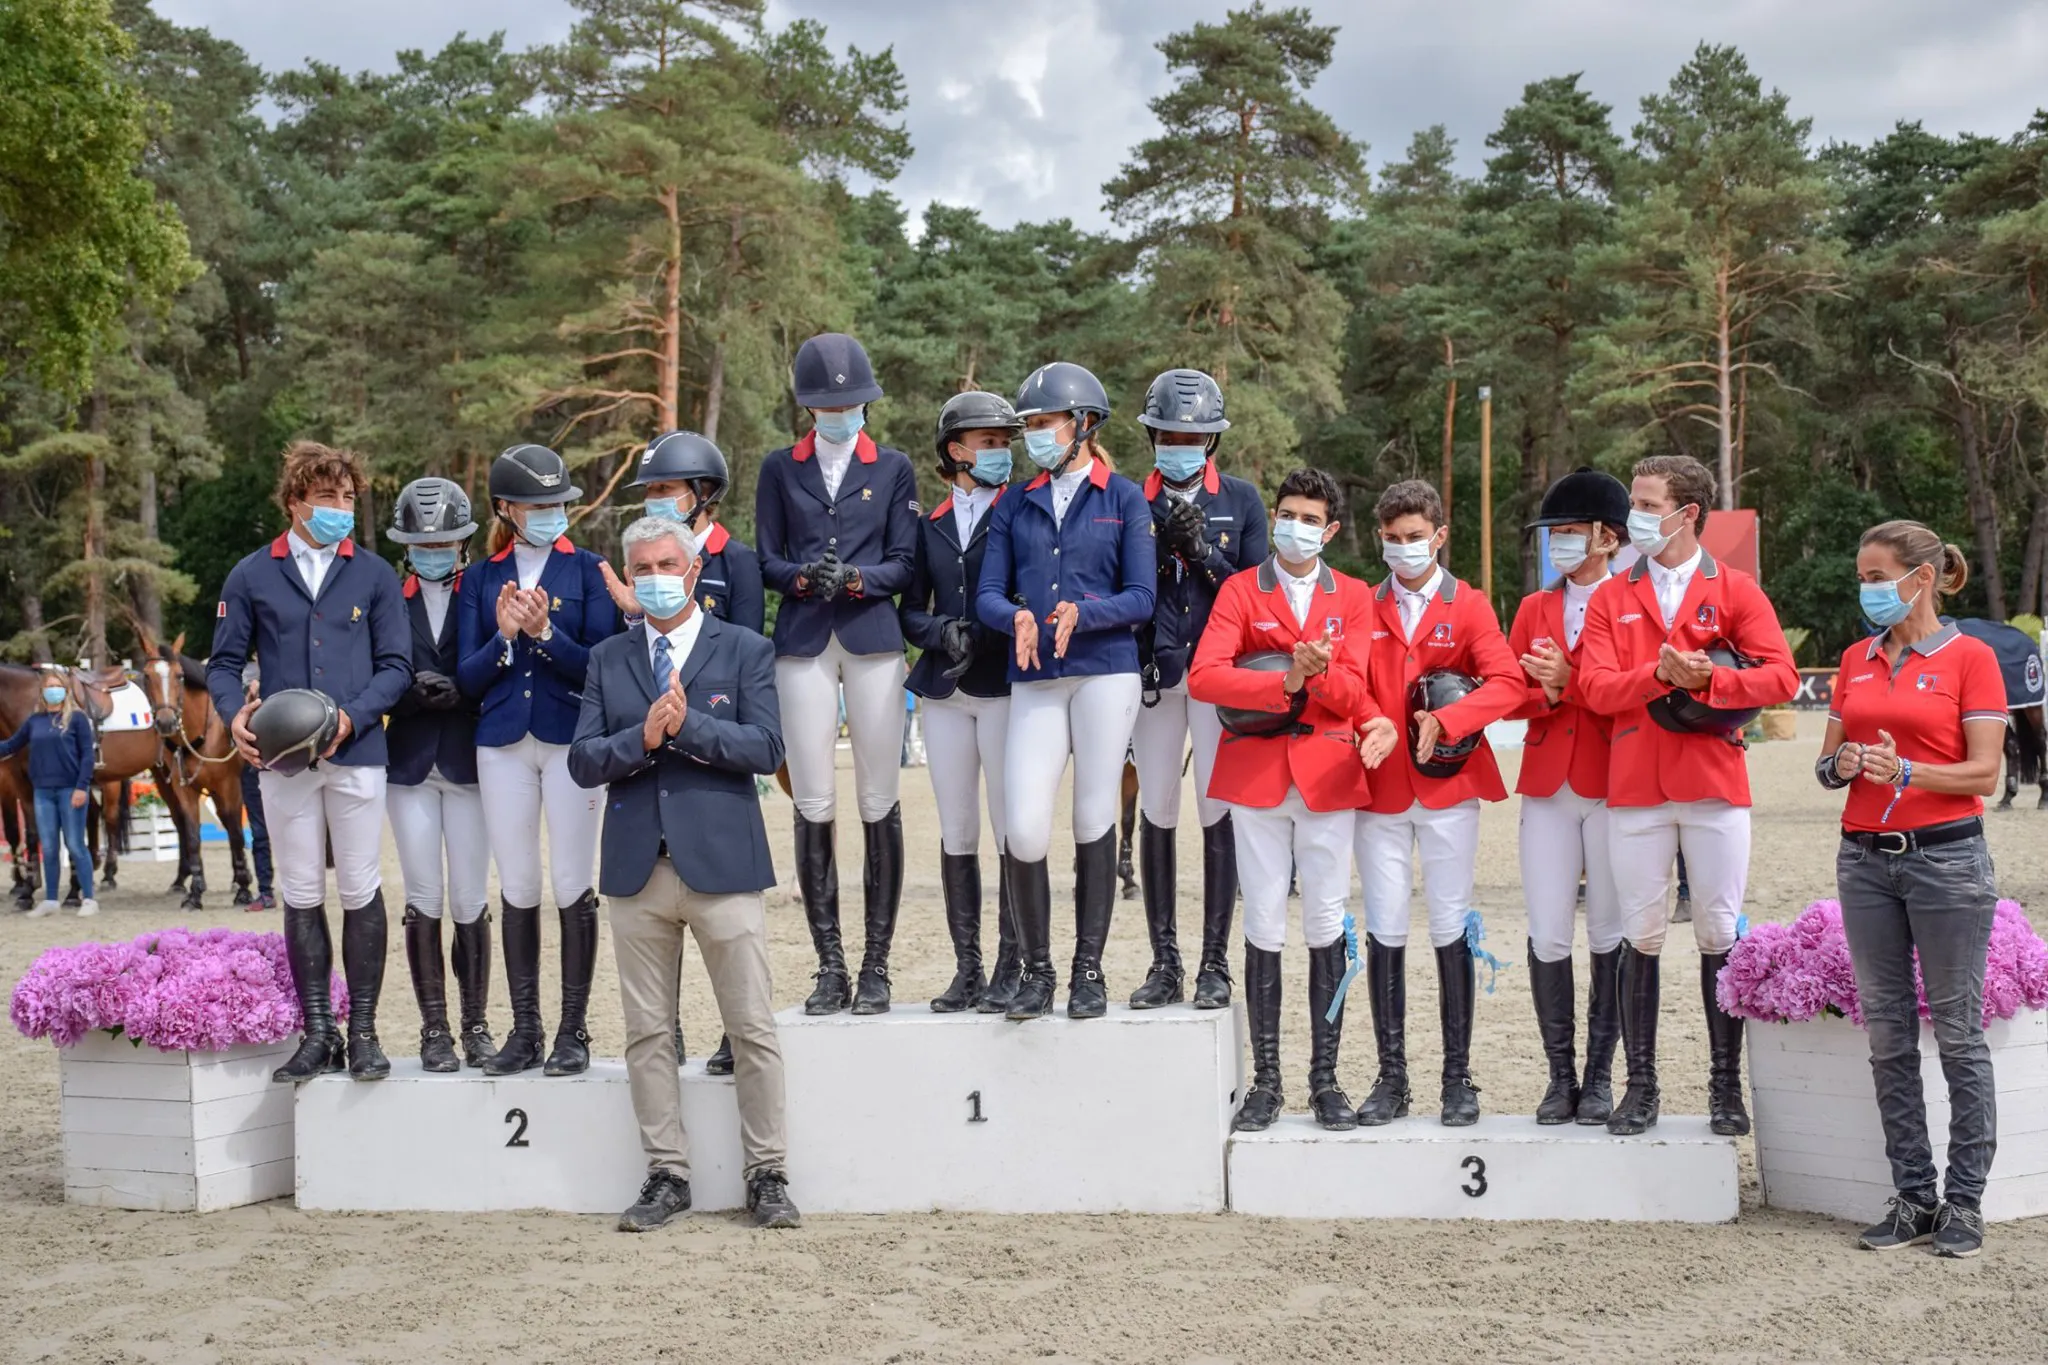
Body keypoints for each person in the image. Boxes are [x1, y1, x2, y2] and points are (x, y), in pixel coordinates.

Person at [566, 516, 799, 1232]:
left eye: (667, 562)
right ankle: (666, 1172)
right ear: (630, 579)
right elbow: (582, 760)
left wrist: (687, 727)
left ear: (694, 570)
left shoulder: (746, 648)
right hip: (638, 872)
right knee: (645, 1032)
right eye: (641, 568)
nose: (655, 575)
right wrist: (642, 737)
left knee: (751, 1027)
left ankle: (768, 1172)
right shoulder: (608, 659)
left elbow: (766, 746)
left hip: (723, 867)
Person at [1577, 454, 1797, 1137]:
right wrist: (1656, 675)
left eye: (1646, 504)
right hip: (1637, 786)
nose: (1633, 516)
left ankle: (1725, 1087)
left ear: (1687, 512)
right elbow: (1594, 687)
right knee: (1639, 935)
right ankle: (1640, 1087)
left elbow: (1782, 677)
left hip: (1713, 785)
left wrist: (1709, 681)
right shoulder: (1611, 596)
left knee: (1717, 931)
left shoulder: (1734, 588)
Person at [1820, 521, 2007, 1258]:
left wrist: (1905, 772)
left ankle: (1964, 1200)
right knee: (1889, 1034)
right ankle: (1913, 1193)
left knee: (1958, 1033)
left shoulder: (1972, 658)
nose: (1866, 589)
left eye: (1877, 575)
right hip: (1864, 861)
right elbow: (1827, 761)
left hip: (1947, 861)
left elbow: (1983, 774)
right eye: (1862, 575)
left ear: (1921, 577)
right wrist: (1841, 768)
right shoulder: (1854, 659)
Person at [1188, 467, 1396, 1131]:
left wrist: (1317, 676)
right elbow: (1206, 676)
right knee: (1265, 922)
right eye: (1287, 514)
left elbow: (1355, 686)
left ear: (1331, 529)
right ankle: (1268, 1082)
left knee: (1326, 919)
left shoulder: (1356, 596)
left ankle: (1326, 1079)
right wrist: (1288, 679)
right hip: (1257, 772)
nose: (1296, 527)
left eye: (1310, 518)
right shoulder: (1241, 589)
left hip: (1329, 772)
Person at [210, 440, 411, 1082]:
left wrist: (352, 717)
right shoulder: (250, 574)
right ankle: (318, 1030)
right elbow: (221, 664)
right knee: (299, 891)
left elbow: (397, 667)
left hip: (357, 752)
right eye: (328, 498)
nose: (341, 509)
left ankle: (366, 1033)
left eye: (349, 498)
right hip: (282, 758)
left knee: (359, 887)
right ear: (296, 501)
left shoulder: (376, 574)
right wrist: (233, 715)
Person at [974, 361, 1155, 1020]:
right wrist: (1014, 616)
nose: (1032, 435)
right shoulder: (1014, 504)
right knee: (1023, 825)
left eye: (1043, 423)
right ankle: (1038, 969)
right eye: (1027, 425)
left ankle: (1088, 970)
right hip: (1038, 679)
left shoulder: (1124, 499)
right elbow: (989, 592)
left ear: (1082, 424)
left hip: (1106, 671)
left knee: (1090, 816)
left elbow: (1142, 595)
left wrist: (1087, 611)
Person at [1352, 478, 1524, 1127]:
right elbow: (1346, 681)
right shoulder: (1362, 607)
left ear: (1440, 535)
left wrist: (1448, 722)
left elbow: (1506, 680)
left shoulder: (1470, 604)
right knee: (1386, 924)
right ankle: (1391, 1077)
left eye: (1415, 538)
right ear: (1381, 539)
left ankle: (1459, 1077)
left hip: (1451, 788)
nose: (1404, 549)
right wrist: (1378, 719)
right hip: (1381, 790)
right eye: (1393, 540)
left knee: (1450, 921)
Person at [754, 333, 918, 1016]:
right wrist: (802, 577)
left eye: (852, 402)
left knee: (878, 796)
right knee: (814, 798)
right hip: (803, 637)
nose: (841, 412)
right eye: (829, 404)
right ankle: (830, 963)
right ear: (809, 407)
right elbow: (767, 558)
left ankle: (876, 963)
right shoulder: (778, 468)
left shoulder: (896, 466)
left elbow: (904, 562)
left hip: (872, 637)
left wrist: (852, 578)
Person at [456, 444, 618, 1077]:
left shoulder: (588, 570)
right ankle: (526, 1029)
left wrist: (547, 634)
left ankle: (572, 1031)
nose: (554, 513)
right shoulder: (480, 578)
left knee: (573, 880)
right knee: (518, 883)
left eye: (560, 503)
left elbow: (602, 664)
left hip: (570, 737)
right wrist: (503, 637)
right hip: (502, 744)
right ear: (507, 508)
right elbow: (467, 679)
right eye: (540, 504)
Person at [605, 429, 762, 1077]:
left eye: (667, 490)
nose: (658, 501)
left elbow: (747, 645)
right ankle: (664, 1029)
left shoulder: (738, 561)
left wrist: (699, 719)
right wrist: (632, 616)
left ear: (702, 495)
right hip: (648, 769)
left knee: (724, 913)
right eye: (651, 492)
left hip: (718, 745)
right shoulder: (645, 559)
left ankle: (733, 1031)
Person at [1129, 368, 1268, 1011]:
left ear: (1211, 441)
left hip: (1217, 676)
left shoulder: (1241, 500)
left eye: (1194, 434)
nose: (1180, 442)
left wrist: (1205, 555)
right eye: (1170, 432)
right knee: (1157, 809)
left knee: (1218, 813)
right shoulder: (1129, 499)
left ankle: (1215, 961)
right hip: (1154, 677)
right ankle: (1165, 960)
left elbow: (1258, 593)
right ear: (1154, 434)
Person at [1510, 469, 1631, 1125]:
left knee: (1609, 929)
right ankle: (1560, 1076)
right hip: (1548, 782)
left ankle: (1601, 1074)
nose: (1555, 542)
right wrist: (1551, 691)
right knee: (1548, 927)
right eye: (1552, 532)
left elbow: (1633, 691)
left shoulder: (1635, 604)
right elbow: (1513, 686)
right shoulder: (1534, 608)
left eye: (1567, 530)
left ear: (1607, 537)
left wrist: (1572, 680)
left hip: (1614, 781)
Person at [900, 390, 1021, 1013]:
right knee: (957, 831)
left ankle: (1011, 962)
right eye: (991, 443)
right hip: (945, 689)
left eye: (1005, 443)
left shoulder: (1023, 512)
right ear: (957, 450)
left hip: (1002, 685)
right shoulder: (932, 524)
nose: (1002, 453)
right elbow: (909, 613)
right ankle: (967, 966)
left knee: (1009, 828)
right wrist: (941, 631)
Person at [385, 478, 493, 1072]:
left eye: (447, 542)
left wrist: (464, 691)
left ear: (463, 543)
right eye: (425, 545)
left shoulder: (480, 590)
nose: (436, 552)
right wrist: (410, 693)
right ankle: (434, 1029)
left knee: (471, 897)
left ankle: (476, 1024)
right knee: (423, 895)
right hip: (409, 763)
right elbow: (375, 665)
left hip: (471, 759)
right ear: (408, 547)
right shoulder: (388, 595)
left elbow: (499, 661)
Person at [2, 671, 98, 918]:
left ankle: (88, 898)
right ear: (42, 692)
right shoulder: (35, 721)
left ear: (65, 691)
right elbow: (12, 745)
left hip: (70, 790)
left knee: (76, 845)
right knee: (51, 847)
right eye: (48, 686)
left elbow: (87, 755)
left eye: (57, 686)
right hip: (43, 792)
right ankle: (51, 900)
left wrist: (81, 787)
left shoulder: (77, 719)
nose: (52, 690)